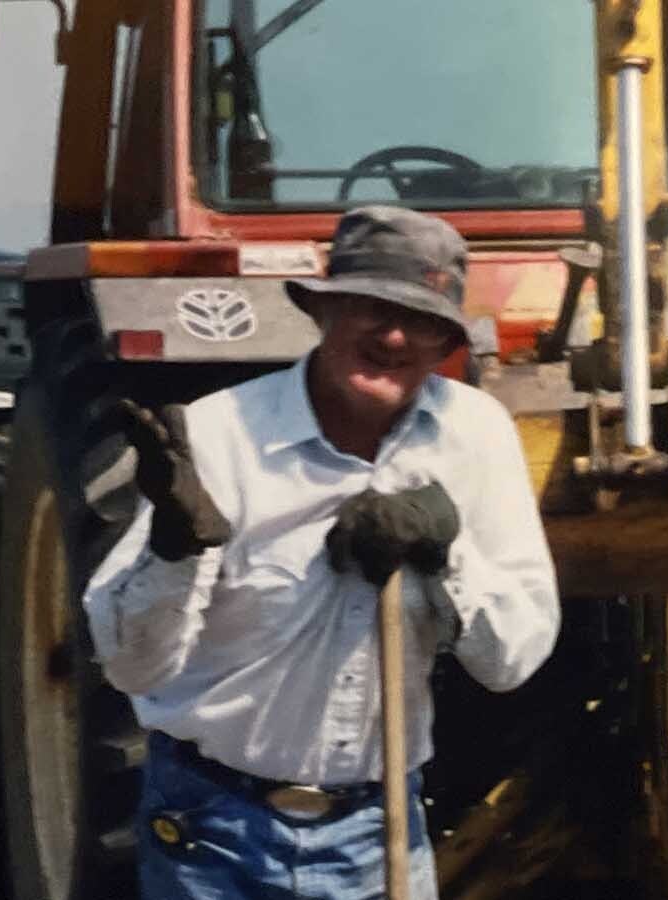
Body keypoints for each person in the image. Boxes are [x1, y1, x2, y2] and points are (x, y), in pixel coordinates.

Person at [83, 206, 560, 899]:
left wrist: (443, 554)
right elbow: (133, 666)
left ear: (445, 340)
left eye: (423, 320)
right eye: (371, 308)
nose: (395, 336)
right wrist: (175, 548)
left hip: (377, 834)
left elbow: (510, 660)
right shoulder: (220, 436)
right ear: (324, 311)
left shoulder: (474, 436)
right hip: (212, 835)